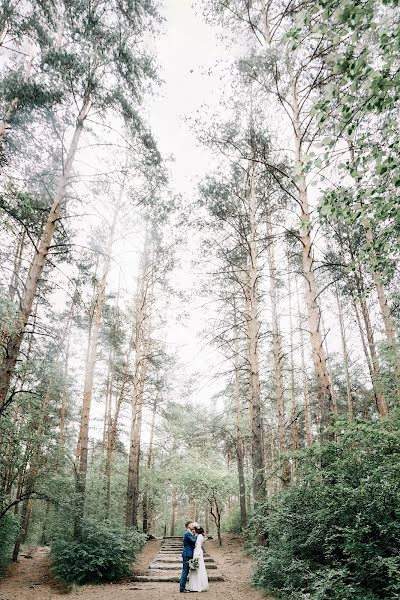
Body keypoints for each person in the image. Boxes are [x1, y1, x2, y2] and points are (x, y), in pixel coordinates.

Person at [189, 526, 209, 592]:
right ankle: (199, 585)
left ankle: (197, 586)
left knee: (197, 568)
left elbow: (198, 546)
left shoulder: (199, 536)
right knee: (199, 568)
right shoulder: (200, 536)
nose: (193, 530)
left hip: (197, 553)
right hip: (199, 552)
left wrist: (197, 556)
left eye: (194, 529)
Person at [179, 520, 197, 593]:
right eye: (192, 525)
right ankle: (182, 588)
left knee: (189, 571)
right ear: (188, 526)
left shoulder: (189, 533)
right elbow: (193, 541)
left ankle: (188, 587)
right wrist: (196, 535)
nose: (193, 526)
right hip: (187, 554)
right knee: (185, 571)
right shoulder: (187, 533)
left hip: (190, 554)